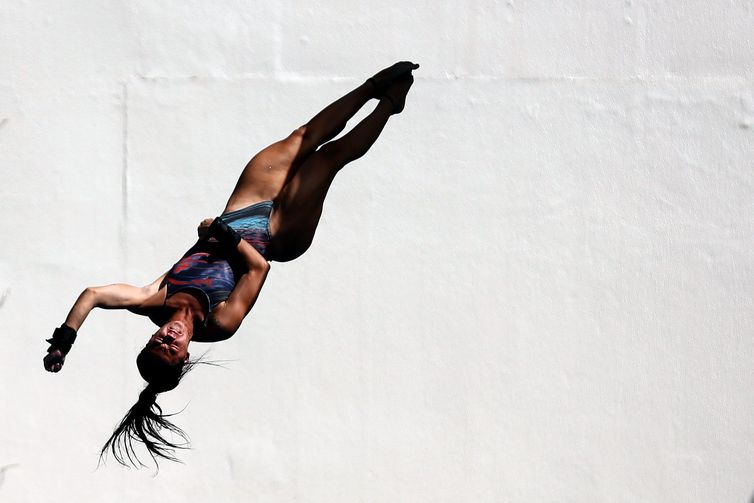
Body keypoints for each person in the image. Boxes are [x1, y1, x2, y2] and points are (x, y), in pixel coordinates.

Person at [42, 61, 419, 467]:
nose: (168, 336)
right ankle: (388, 108)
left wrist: (64, 341)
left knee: (302, 137)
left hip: (239, 212)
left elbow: (94, 294)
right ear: (185, 354)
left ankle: (371, 87)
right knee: (327, 159)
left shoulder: (153, 300)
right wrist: (226, 237)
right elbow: (259, 269)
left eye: (158, 340)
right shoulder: (219, 324)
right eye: (172, 346)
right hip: (276, 235)